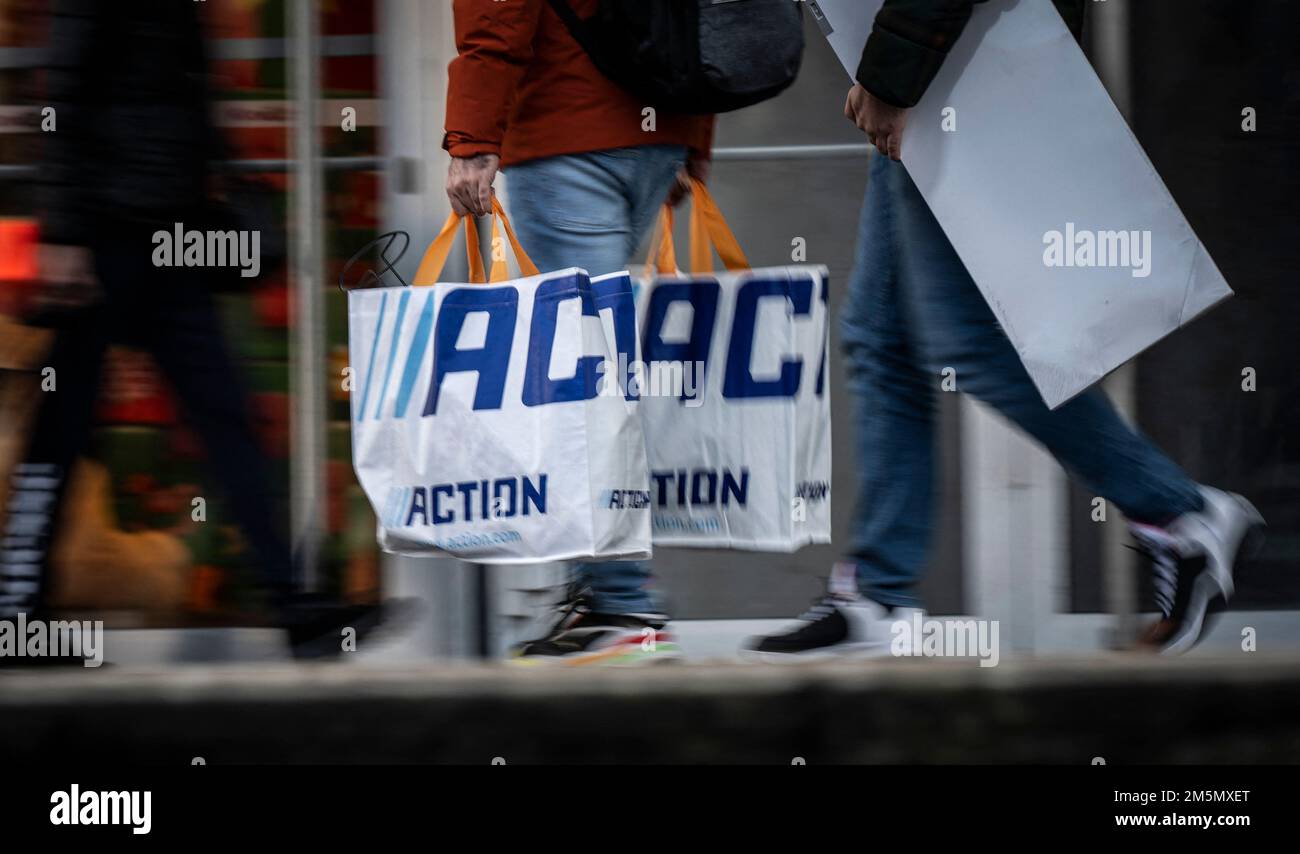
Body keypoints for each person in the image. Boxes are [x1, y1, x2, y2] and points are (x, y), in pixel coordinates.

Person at [747, 0, 1263, 659]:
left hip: (960, 70)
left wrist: (889, 78)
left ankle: (1181, 511)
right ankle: (876, 593)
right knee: (883, 342)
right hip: (946, 69)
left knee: (969, 343)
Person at [0, 0, 387, 662]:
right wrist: (64, 233)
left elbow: (187, 103)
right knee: (59, 437)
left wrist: (227, 189)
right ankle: (17, 614)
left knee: (225, 419)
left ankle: (294, 603)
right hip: (104, 238)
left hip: (169, 237)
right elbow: (64, 90)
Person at [444, 0, 714, 665]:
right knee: (603, 369)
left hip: (566, 133)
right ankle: (601, 597)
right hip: (660, 128)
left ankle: (621, 603)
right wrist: (695, 137)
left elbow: (499, 13)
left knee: (584, 381)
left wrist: (472, 138)